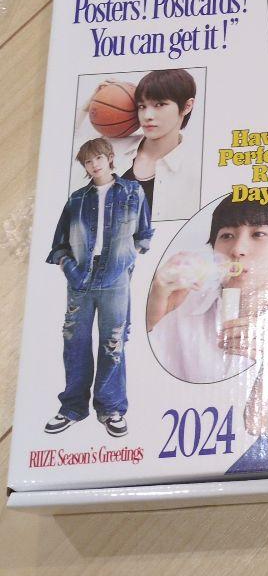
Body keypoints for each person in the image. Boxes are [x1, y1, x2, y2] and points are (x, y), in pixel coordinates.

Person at [43, 138, 152, 437]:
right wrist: (69, 268)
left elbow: (144, 235)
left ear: (110, 157)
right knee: (75, 343)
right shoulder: (77, 199)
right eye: (88, 161)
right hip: (80, 277)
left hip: (115, 277)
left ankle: (111, 408)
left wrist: (126, 259)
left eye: (99, 158)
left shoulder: (133, 191)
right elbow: (59, 245)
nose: (94, 165)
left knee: (113, 344)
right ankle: (72, 408)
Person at [147, 193, 268, 384]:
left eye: (258, 234)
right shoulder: (181, 309)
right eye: (227, 235)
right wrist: (151, 322)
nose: (237, 250)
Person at [75, 68, 199, 221]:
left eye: (159, 104)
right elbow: (67, 139)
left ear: (187, 106)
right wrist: (93, 102)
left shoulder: (194, 172)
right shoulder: (112, 147)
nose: (147, 116)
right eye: (142, 106)